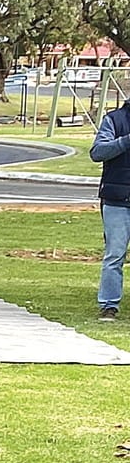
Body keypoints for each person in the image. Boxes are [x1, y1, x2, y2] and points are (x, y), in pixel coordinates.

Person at [90, 96, 128, 319]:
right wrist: (125, 141)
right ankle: (109, 305)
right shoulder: (114, 120)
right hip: (117, 200)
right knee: (115, 254)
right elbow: (98, 152)